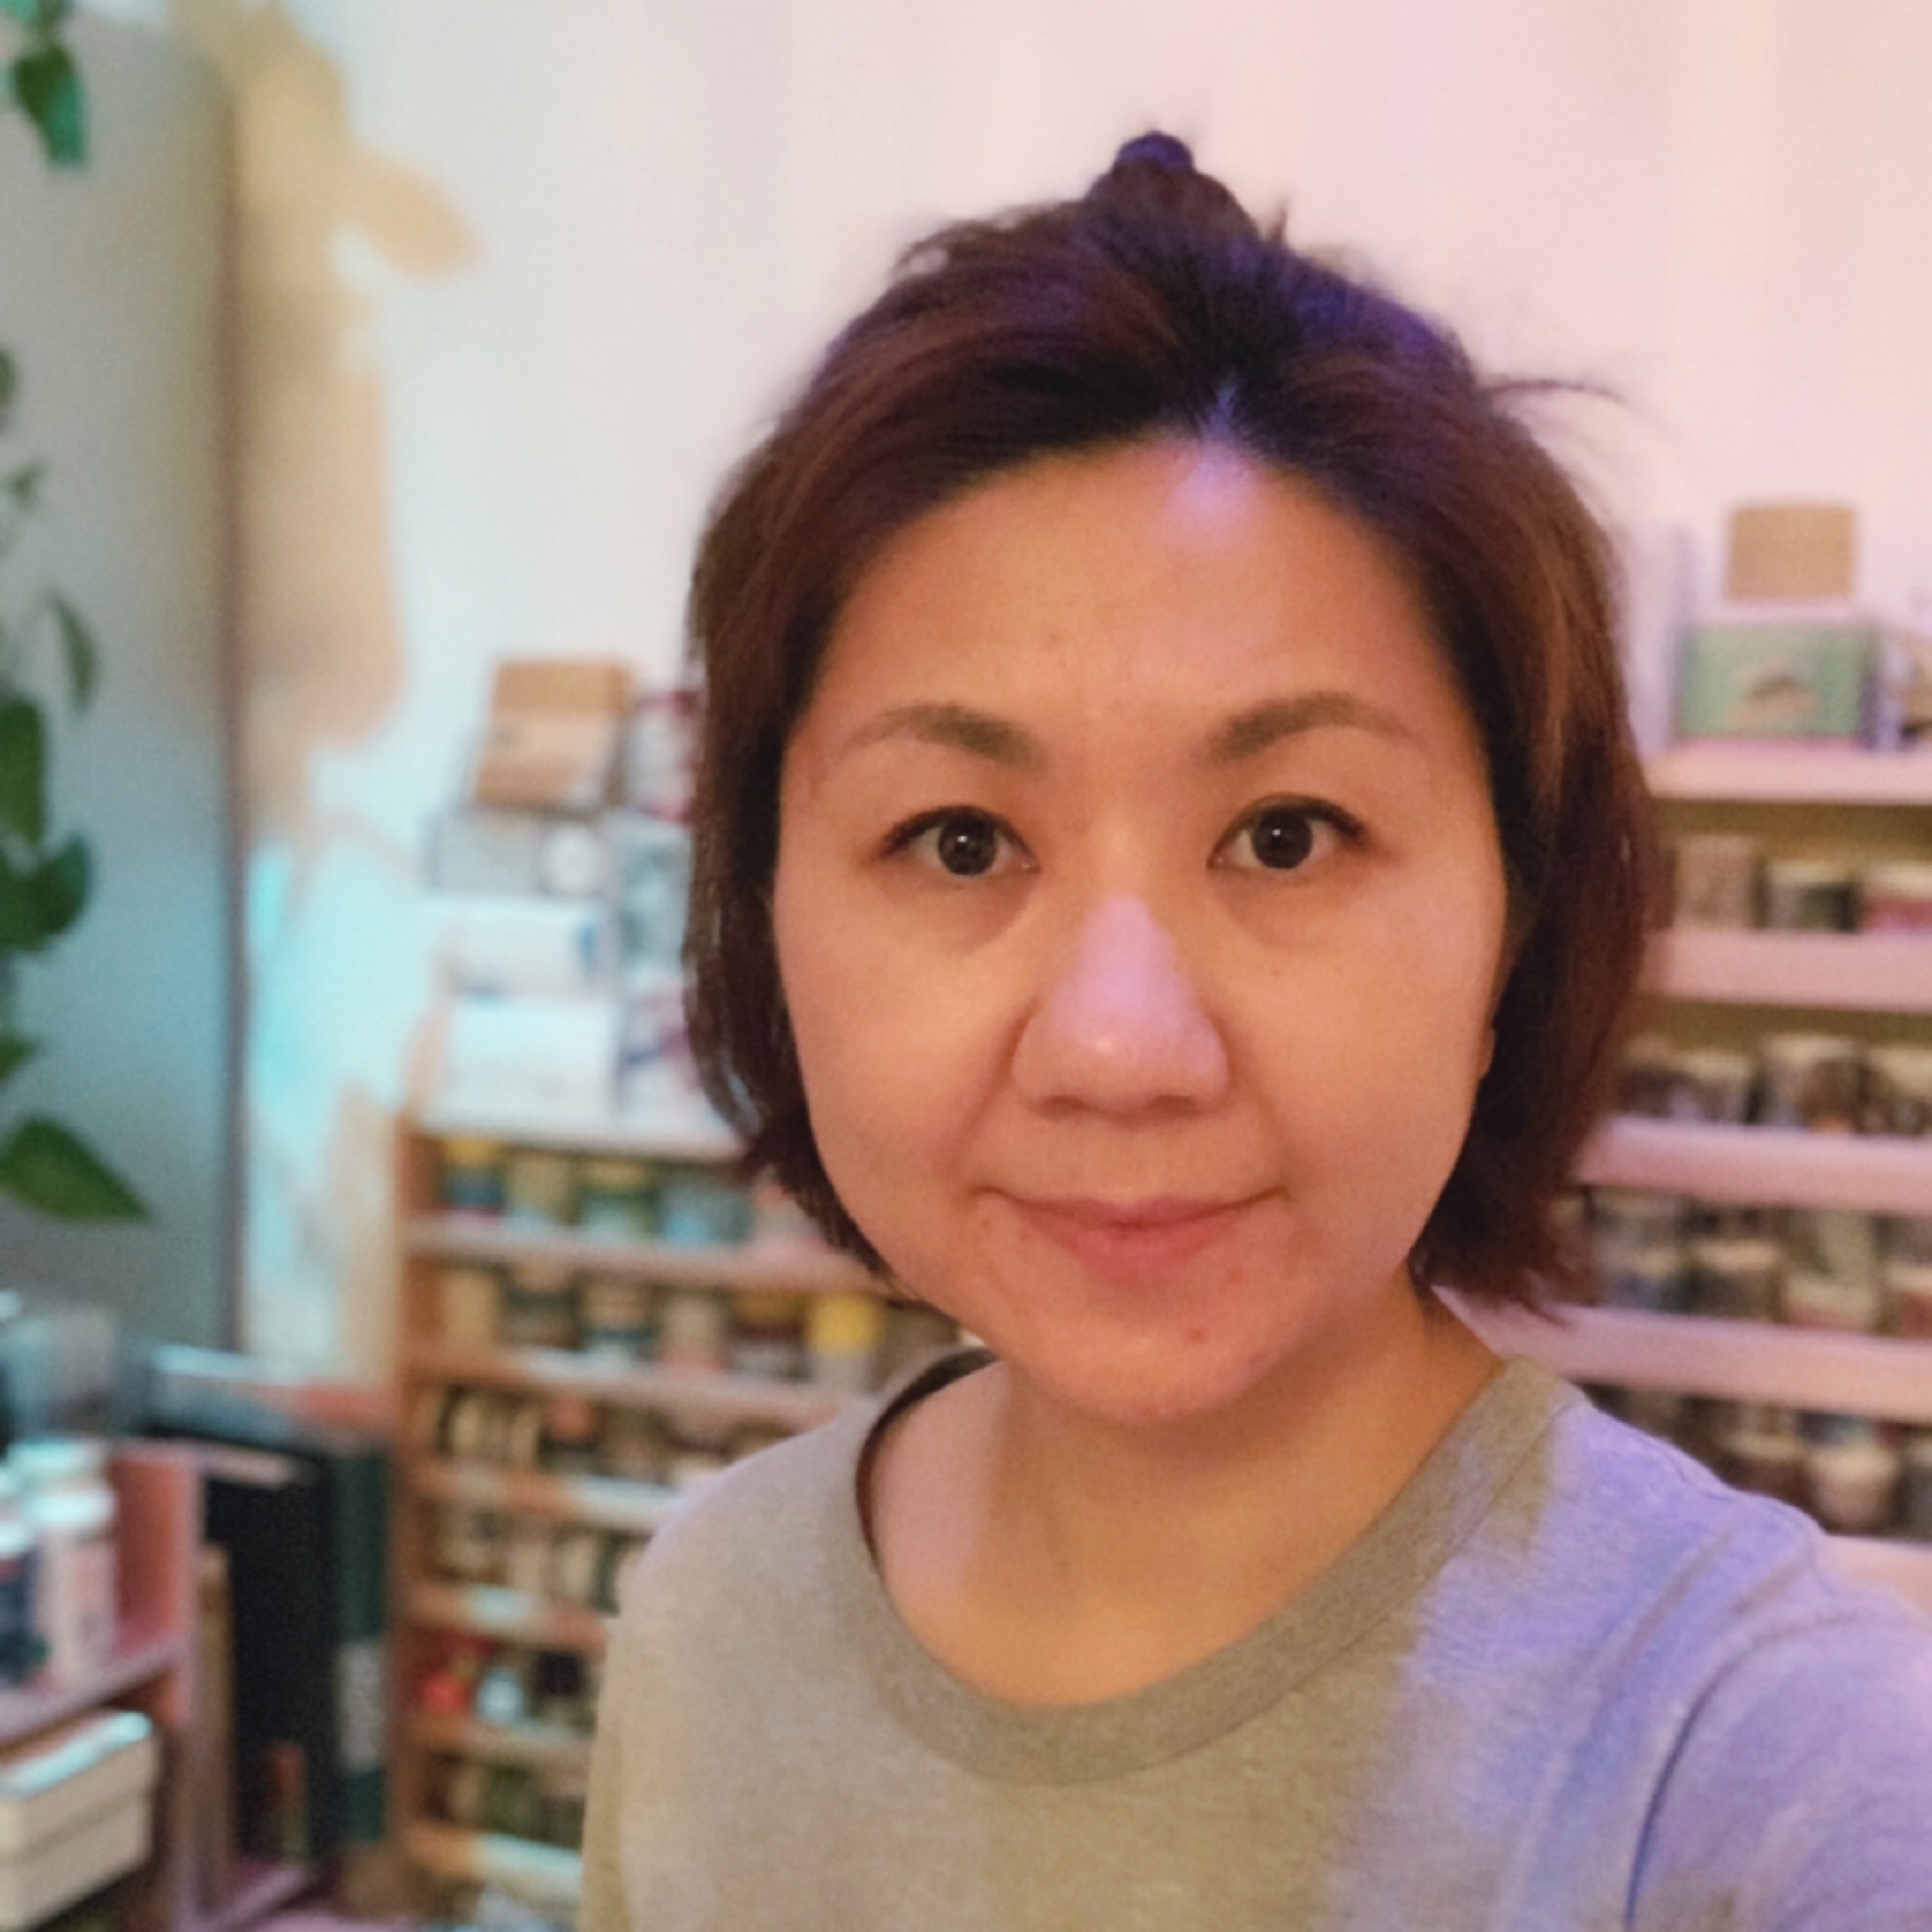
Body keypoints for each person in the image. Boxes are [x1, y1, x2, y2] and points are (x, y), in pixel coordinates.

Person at [581, 134, 1932, 1930]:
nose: (1120, 1049)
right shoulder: (709, 1621)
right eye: (961, 840)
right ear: (765, 912)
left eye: (1288, 835)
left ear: (1516, 928)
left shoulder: (1775, 1762)